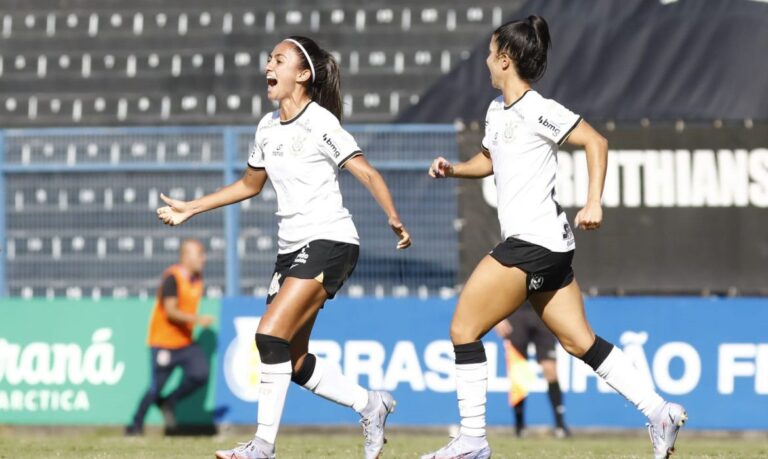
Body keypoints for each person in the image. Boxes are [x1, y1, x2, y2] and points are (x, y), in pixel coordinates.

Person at [421, 16, 686, 459]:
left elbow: (596, 142)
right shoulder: (496, 111)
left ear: (505, 60)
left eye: (490, 53)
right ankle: (659, 411)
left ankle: (471, 440)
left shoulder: (536, 108)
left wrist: (593, 201)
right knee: (579, 341)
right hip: (552, 248)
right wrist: (455, 169)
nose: (486, 60)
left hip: (533, 243)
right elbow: (489, 160)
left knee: (463, 328)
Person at [156, 36, 411, 459]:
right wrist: (192, 208)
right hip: (291, 250)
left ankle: (262, 446)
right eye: (268, 59)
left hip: (330, 240)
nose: (268, 67)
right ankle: (370, 404)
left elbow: (366, 172)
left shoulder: (321, 123)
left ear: (304, 74)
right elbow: (248, 185)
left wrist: (393, 216)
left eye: (278, 59)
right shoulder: (267, 126)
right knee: (291, 360)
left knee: (268, 334)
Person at [125, 239, 215, 436]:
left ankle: (169, 401)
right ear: (186, 257)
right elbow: (170, 311)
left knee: (200, 373)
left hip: (184, 342)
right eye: (200, 254)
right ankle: (134, 426)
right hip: (163, 343)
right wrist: (198, 319)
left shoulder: (198, 279)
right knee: (155, 388)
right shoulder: (172, 278)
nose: (204, 258)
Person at [495, 303, 570, 439]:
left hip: (543, 311)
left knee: (550, 369)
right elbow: (495, 284)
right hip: (516, 312)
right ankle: (520, 426)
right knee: (518, 372)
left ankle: (560, 425)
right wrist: (498, 318)